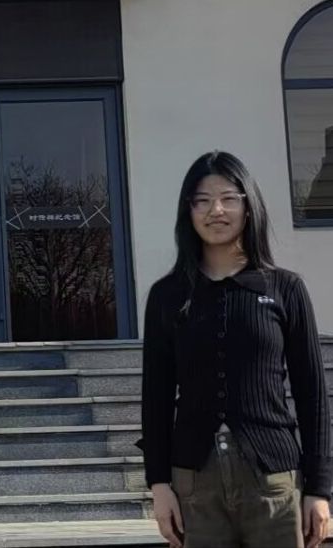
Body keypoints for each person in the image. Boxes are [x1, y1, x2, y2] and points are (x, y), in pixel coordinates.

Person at [140, 151, 331, 548]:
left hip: (274, 481)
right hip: (194, 484)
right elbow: (155, 398)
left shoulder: (285, 289)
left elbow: (312, 396)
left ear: (248, 206)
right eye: (203, 200)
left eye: (229, 198)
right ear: (189, 210)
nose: (217, 210)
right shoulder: (167, 295)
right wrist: (158, 483)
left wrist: (320, 489)